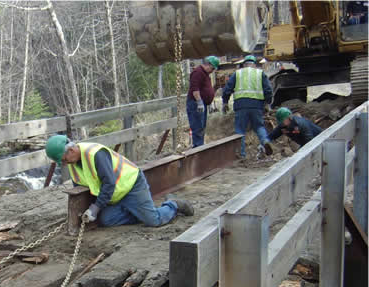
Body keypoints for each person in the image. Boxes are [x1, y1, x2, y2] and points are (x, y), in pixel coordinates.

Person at [45, 135, 194, 227]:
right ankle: (138, 211)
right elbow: (83, 187)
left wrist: (95, 208)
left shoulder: (95, 154)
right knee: (106, 220)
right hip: (115, 195)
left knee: (153, 221)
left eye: (64, 160)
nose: (64, 164)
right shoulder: (73, 164)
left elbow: (109, 183)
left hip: (131, 186)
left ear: (70, 151)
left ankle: (173, 205)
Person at [221, 55, 274, 158]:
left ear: (244, 64)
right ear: (254, 64)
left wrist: (225, 102)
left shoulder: (237, 74)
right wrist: (268, 103)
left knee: (240, 130)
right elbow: (268, 90)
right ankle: (265, 141)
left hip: (241, 105)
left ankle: (242, 155)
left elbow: (227, 89)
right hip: (257, 105)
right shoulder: (260, 73)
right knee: (259, 126)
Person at [187, 56, 220, 147]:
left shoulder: (205, 74)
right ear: (208, 65)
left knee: (201, 127)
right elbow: (195, 89)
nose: (212, 71)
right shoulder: (198, 72)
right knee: (197, 127)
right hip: (195, 104)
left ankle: (200, 146)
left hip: (202, 104)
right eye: (212, 68)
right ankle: (198, 147)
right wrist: (199, 102)